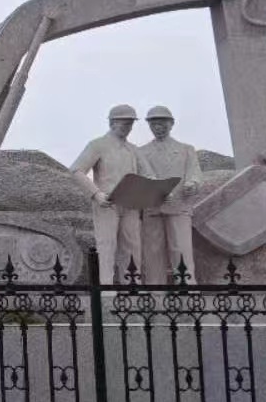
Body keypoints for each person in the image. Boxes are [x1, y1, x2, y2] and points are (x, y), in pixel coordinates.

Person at [69, 104, 150, 284]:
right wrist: (96, 194)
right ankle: (105, 289)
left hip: (131, 204)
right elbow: (76, 170)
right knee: (107, 245)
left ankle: (132, 288)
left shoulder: (133, 149)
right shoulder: (98, 145)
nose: (128, 127)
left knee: (132, 247)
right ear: (112, 122)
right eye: (124, 122)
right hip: (107, 204)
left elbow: (148, 175)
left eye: (130, 123)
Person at [139, 105, 202, 281]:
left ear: (171, 124)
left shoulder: (186, 149)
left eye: (162, 123)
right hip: (153, 208)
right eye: (153, 124)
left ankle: (186, 290)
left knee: (181, 250)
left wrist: (192, 184)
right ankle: (156, 292)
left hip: (179, 206)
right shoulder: (141, 152)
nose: (158, 127)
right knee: (153, 252)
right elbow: (141, 177)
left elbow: (195, 173)